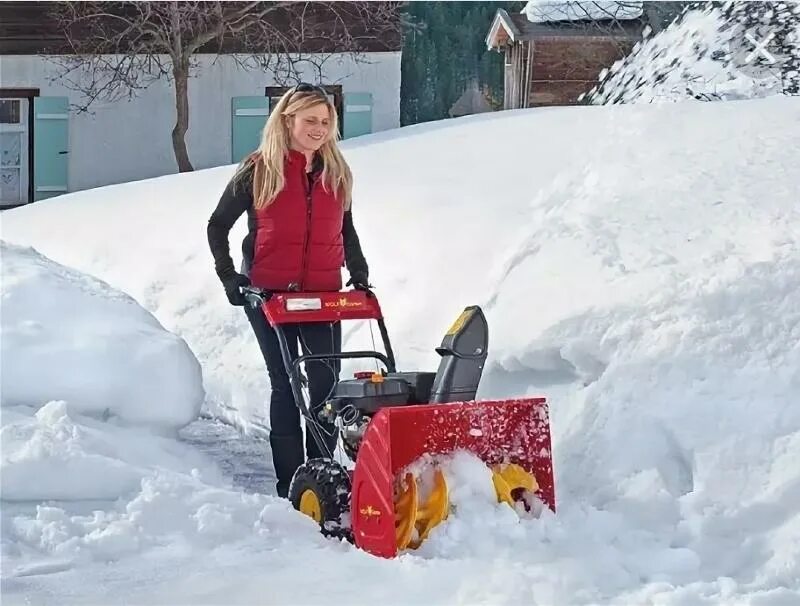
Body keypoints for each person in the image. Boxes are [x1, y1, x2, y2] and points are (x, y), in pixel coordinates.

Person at [206, 83, 370, 498]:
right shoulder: (258, 169)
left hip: (323, 295)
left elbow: (344, 229)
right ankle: (289, 482)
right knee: (285, 383)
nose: (319, 128)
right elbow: (217, 225)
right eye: (310, 120)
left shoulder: (337, 172)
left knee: (325, 383)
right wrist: (231, 278)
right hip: (268, 294)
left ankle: (319, 477)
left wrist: (359, 271)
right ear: (287, 119)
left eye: (326, 121)